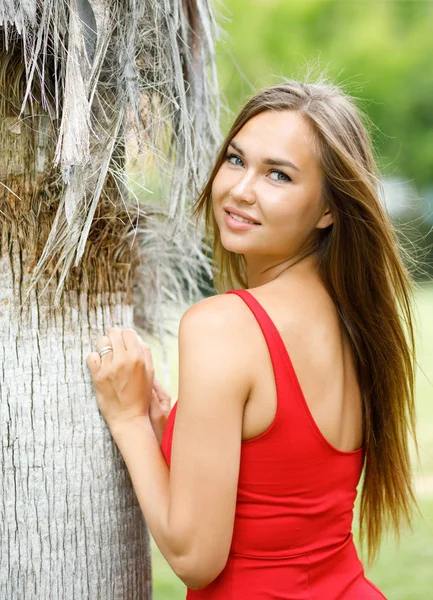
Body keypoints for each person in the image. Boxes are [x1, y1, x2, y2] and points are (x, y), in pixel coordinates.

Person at [87, 80, 418, 599]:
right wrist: (170, 430)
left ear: (328, 209)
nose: (241, 189)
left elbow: (196, 558)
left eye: (278, 175)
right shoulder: (356, 320)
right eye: (237, 160)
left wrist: (128, 420)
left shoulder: (224, 326)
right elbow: (285, 485)